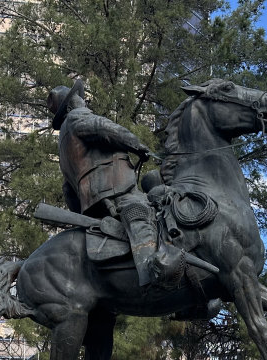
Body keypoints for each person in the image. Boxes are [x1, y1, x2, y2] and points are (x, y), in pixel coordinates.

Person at [46, 79, 182, 287]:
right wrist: (137, 145)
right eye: (80, 99)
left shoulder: (63, 142)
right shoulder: (77, 117)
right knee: (139, 214)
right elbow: (105, 128)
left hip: (92, 201)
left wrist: (80, 212)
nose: (85, 101)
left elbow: (67, 188)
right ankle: (152, 273)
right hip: (111, 191)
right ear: (72, 105)